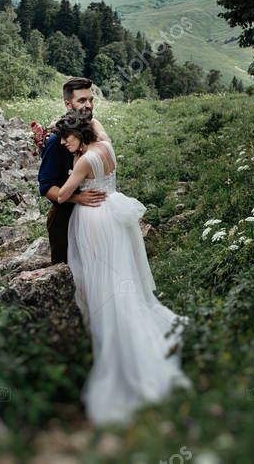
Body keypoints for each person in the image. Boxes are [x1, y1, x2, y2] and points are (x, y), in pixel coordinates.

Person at [50, 110, 193, 426]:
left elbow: (60, 195)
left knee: (101, 280)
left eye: (66, 137)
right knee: (120, 278)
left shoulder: (85, 160)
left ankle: (116, 344)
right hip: (113, 212)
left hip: (95, 218)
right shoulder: (105, 146)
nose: (62, 143)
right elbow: (100, 149)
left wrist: (76, 196)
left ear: (79, 133)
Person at [38, 77, 111, 264]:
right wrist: (77, 198)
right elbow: (46, 187)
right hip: (65, 219)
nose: (88, 105)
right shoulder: (56, 141)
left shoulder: (91, 130)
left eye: (91, 100)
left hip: (95, 216)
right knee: (68, 272)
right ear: (68, 104)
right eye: (82, 101)